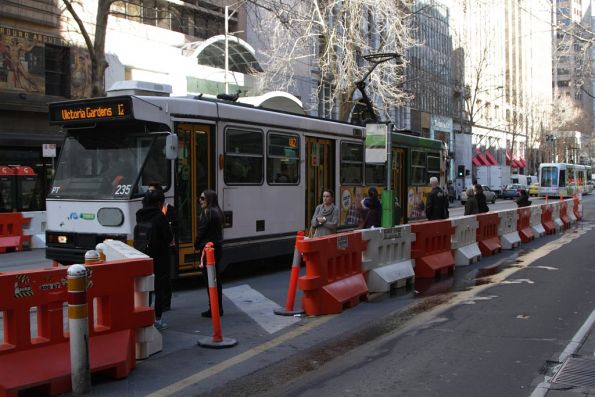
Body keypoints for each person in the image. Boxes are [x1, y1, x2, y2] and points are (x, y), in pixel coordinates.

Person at [135, 189, 172, 331]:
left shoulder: (140, 215)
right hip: (160, 257)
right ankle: (157, 319)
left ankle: (146, 316)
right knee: (159, 289)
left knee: (147, 288)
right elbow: (168, 237)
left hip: (144, 255)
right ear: (158, 202)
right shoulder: (160, 217)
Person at [194, 190, 224, 318]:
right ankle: (217, 307)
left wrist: (196, 244)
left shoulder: (208, 213)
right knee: (215, 279)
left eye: (202, 198)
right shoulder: (217, 212)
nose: (200, 201)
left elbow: (202, 232)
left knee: (210, 280)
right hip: (216, 248)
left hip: (208, 250)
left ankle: (214, 308)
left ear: (209, 200)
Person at [148, 182, 176, 311]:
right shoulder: (148, 211)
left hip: (165, 247)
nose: (149, 194)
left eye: (152, 191)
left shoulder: (168, 209)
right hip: (154, 248)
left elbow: (172, 229)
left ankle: (166, 302)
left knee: (164, 277)